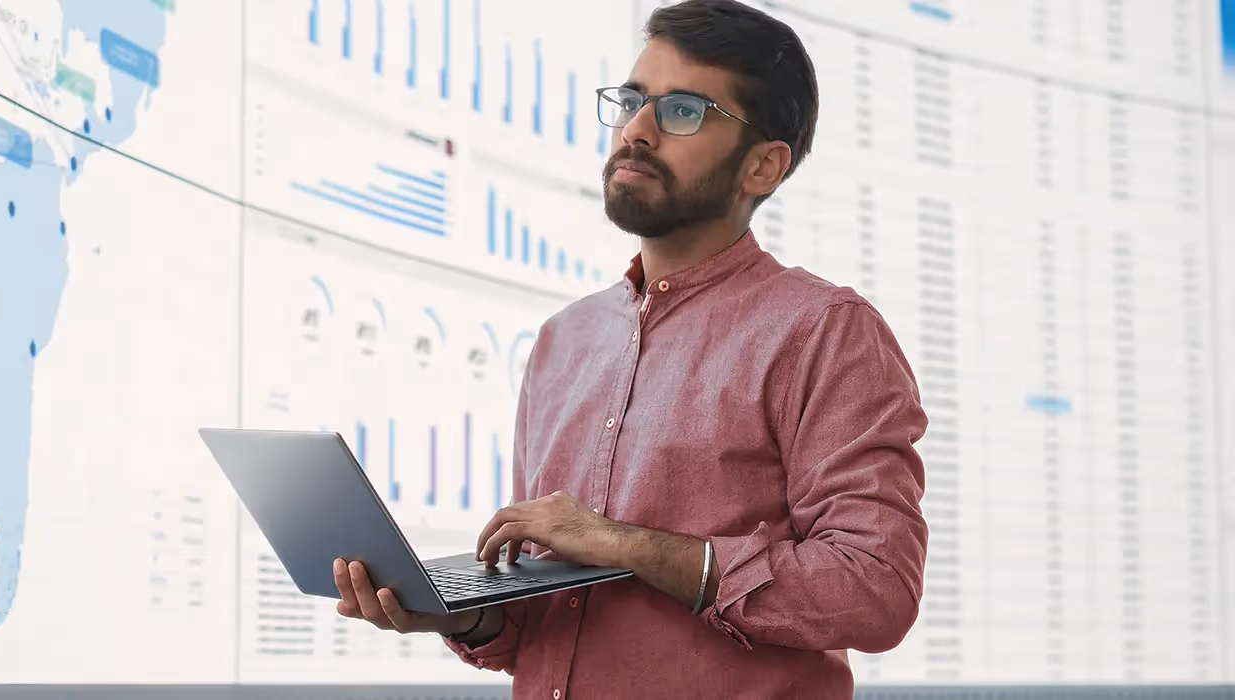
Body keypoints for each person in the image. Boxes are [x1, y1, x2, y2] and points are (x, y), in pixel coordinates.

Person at [329, 0, 928, 696]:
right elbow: (545, 628)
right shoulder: (564, 342)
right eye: (633, 101)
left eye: (682, 111)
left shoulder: (824, 331)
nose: (638, 130)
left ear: (762, 166)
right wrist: (464, 619)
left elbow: (875, 590)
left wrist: (623, 545)